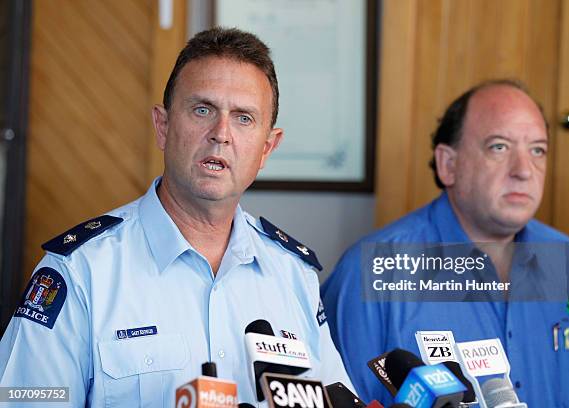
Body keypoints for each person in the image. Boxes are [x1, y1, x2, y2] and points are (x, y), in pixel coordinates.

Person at [0, 27, 351, 407]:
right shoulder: (80, 272)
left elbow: (336, 396)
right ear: (163, 126)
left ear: (267, 147)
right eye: (203, 110)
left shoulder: (292, 274)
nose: (221, 134)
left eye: (244, 118)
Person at [321, 80, 569, 407]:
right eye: (499, 147)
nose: (524, 171)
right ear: (448, 164)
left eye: (537, 150)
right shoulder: (372, 271)